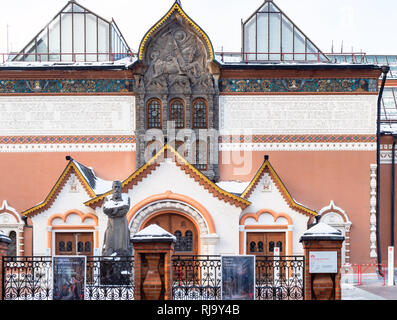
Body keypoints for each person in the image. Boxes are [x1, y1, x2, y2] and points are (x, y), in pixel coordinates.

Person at [102, 181, 131, 256]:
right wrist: (119, 208)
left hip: (122, 224)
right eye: (115, 187)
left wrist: (113, 211)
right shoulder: (107, 198)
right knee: (109, 241)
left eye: (118, 187)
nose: (116, 189)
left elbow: (125, 211)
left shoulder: (126, 198)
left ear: (121, 188)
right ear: (112, 188)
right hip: (111, 224)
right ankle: (109, 253)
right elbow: (106, 210)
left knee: (122, 244)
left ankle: (121, 253)